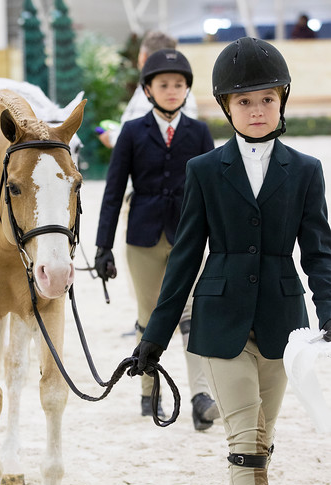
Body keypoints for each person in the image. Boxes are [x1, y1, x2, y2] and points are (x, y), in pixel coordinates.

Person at [129, 37, 331, 485]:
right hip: (219, 329)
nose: (257, 110)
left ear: (282, 101)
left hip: (281, 326)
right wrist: (154, 338)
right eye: (244, 102)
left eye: (266, 99)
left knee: (259, 442)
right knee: (244, 437)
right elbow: (184, 260)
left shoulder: (307, 170)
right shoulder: (204, 170)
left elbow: (319, 252)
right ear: (225, 107)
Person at [95, 48, 219, 428]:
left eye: (178, 84)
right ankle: (149, 390)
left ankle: (199, 396)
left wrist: (220, 244)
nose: (171, 90)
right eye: (163, 84)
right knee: (150, 317)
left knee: (191, 313)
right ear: (148, 90)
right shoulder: (133, 133)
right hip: (143, 238)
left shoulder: (198, 132)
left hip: (187, 236)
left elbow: (214, 191)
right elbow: (114, 191)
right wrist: (103, 246)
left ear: (186, 90)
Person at [97, 30, 198, 149]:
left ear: (143, 56)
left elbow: (138, 137)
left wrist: (112, 138)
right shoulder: (186, 94)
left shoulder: (151, 92)